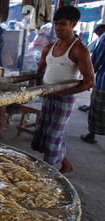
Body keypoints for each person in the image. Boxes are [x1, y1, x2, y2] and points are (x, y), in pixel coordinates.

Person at [32, 6, 95, 174]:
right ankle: (66, 165)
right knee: (48, 134)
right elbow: (39, 71)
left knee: (53, 137)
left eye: (62, 24)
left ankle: (47, 174)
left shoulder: (79, 49)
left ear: (73, 24)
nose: (58, 28)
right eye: (56, 24)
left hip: (64, 99)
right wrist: (34, 87)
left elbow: (89, 82)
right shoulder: (50, 47)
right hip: (47, 95)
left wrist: (58, 93)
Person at [80, 29, 104, 144]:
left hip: (103, 84)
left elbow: (95, 61)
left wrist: (88, 80)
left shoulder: (104, 38)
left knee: (96, 109)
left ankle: (92, 134)